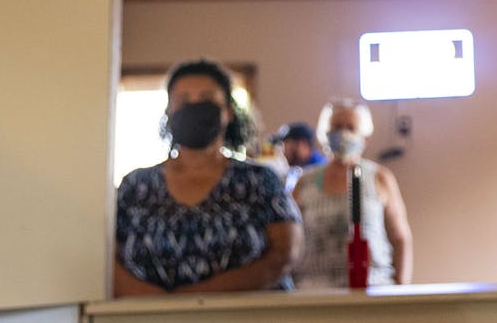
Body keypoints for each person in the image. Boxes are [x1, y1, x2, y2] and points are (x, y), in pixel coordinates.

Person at [114, 59, 303, 296]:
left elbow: (285, 254)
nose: (194, 108)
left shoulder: (259, 180)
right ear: (169, 112)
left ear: (229, 112)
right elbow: (108, 261)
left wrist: (197, 300)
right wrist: (159, 306)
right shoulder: (136, 185)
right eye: (182, 101)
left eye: (206, 99)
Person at [291, 99, 413, 287]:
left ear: (364, 137)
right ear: (325, 133)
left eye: (351, 128)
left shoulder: (380, 178)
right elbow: (290, 239)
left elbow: (400, 239)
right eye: (337, 127)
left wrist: (400, 289)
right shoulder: (305, 182)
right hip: (315, 290)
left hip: (373, 288)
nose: (343, 133)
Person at [273, 121, 326, 194]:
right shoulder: (295, 171)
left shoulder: (320, 171)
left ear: (303, 144)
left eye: (286, 144)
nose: (283, 152)